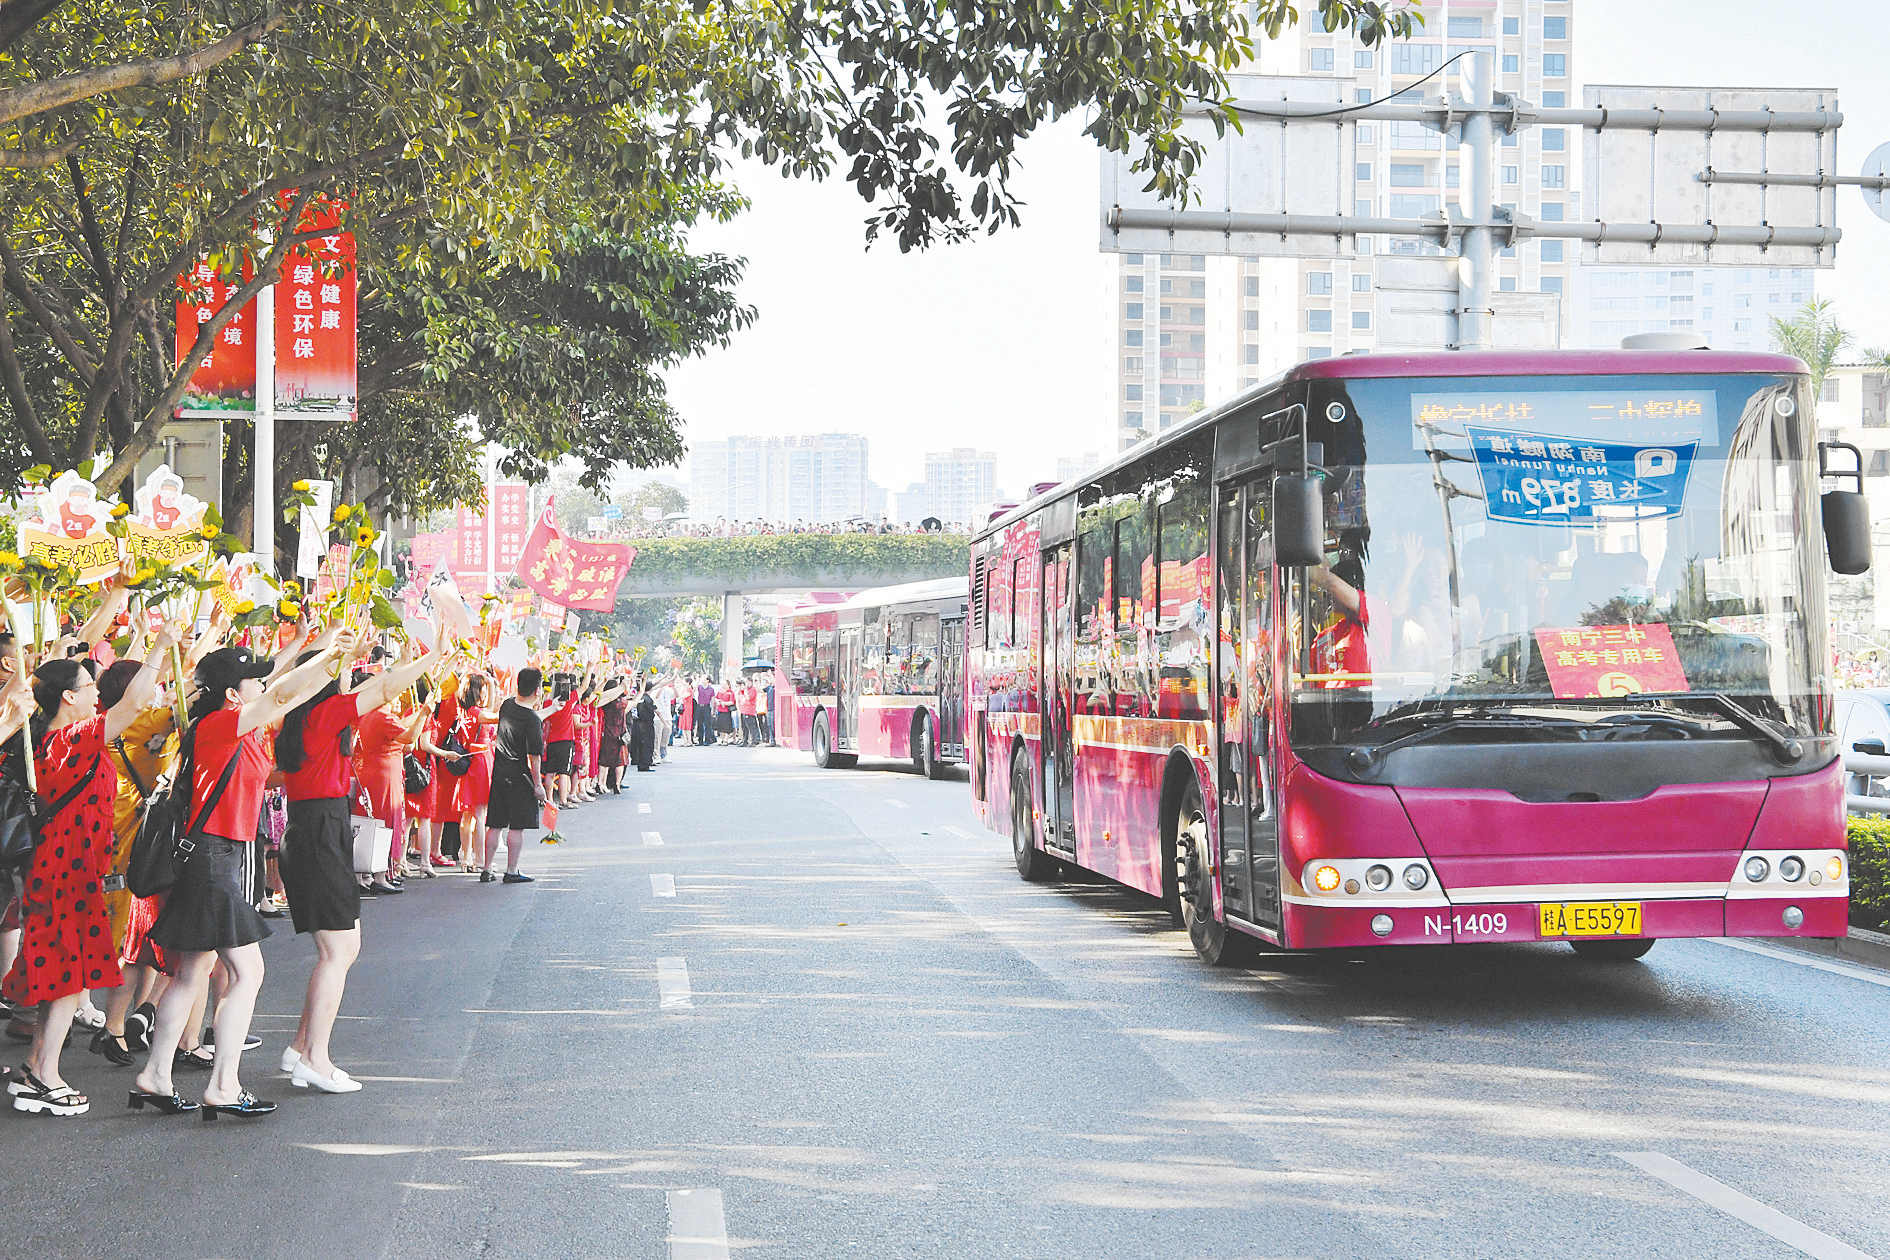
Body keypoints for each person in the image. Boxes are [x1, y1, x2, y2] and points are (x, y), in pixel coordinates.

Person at [129, 636, 355, 1120]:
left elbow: (283, 692)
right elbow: (281, 695)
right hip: (212, 858)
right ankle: (224, 1086)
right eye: (255, 678)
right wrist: (328, 653)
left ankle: (155, 1076)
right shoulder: (221, 724)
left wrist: (331, 660)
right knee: (247, 972)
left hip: (214, 856)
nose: (265, 684)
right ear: (234, 693)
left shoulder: (237, 726)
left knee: (192, 972)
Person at [6, 625, 178, 1116]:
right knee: (64, 977)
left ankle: (35, 1068)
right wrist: (159, 647)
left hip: (70, 870)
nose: (96, 693)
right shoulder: (70, 739)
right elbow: (132, 704)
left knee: (62, 975)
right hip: (64, 873)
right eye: (88, 687)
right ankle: (44, 1076)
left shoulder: (63, 737)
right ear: (67, 697)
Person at [274, 634, 432, 1094]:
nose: (345, 678)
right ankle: (314, 1059)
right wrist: (429, 655)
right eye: (337, 671)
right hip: (319, 830)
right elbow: (381, 689)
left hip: (317, 828)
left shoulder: (301, 717)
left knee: (341, 948)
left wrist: (410, 661)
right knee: (338, 951)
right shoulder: (322, 713)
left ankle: (301, 1048)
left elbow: (381, 687)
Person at [482, 668, 547, 884]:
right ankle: (511, 870)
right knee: (516, 826)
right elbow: (534, 757)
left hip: (499, 771)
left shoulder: (507, 705)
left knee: (495, 823)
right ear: (537, 691)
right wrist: (538, 785)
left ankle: (487, 867)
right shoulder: (533, 720)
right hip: (520, 775)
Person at [597, 679, 628, 792]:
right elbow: (634, 701)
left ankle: (600, 783)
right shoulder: (623, 703)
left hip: (607, 732)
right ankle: (617, 784)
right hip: (620, 733)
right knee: (619, 761)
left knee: (604, 760)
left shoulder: (605, 703)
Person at [628, 684, 658, 772]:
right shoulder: (648, 699)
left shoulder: (639, 698)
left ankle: (638, 761)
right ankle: (645, 763)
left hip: (638, 722)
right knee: (647, 744)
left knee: (639, 744)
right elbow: (654, 711)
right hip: (647, 723)